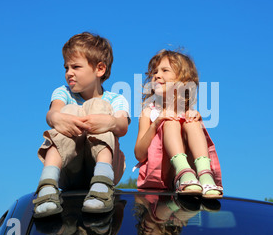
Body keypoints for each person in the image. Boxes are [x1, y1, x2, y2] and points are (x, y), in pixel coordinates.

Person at [33, 32, 130, 218]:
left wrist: (108, 121)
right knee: (67, 112)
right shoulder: (63, 93)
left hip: (107, 167)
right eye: (66, 67)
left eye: (76, 66)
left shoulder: (116, 99)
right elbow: (53, 112)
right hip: (70, 170)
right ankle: (47, 185)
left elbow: (122, 126)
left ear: (99, 69)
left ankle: (102, 184)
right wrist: (56, 118)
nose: (69, 72)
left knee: (99, 107)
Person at [134, 50, 222, 198]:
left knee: (192, 123)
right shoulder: (149, 113)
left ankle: (205, 175)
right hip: (159, 176)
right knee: (170, 122)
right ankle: (183, 172)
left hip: (188, 181)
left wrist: (198, 121)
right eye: (155, 72)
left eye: (165, 70)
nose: (157, 75)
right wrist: (156, 124)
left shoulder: (189, 114)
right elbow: (139, 155)